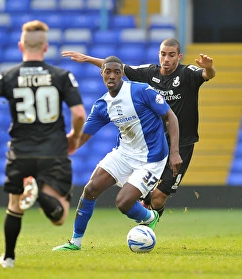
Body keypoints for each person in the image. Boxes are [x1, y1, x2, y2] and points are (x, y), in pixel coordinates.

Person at [0, 20, 86, 268]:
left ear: (20, 46)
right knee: (59, 217)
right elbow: (79, 113)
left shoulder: (8, 76)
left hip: (20, 152)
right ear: (46, 47)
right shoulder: (61, 76)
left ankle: (8, 258)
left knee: (14, 205)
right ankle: (38, 189)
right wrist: (74, 136)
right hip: (53, 151)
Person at [61, 38, 216, 218]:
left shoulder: (187, 73)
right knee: (140, 194)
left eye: (171, 55)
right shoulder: (149, 73)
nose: (166, 59)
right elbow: (117, 68)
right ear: (159, 54)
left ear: (179, 57)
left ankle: (150, 218)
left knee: (158, 198)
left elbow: (208, 75)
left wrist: (209, 67)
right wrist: (87, 58)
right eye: (163, 54)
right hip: (152, 143)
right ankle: (147, 225)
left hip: (181, 144)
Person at [52, 55, 182, 251]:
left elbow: (170, 116)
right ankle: (75, 243)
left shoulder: (141, 91)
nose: (112, 75)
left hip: (151, 157)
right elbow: (83, 136)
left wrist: (174, 152)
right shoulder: (102, 105)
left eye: (116, 71)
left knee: (122, 203)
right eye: (108, 71)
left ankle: (149, 216)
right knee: (90, 189)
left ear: (122, 74)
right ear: (102, 73)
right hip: (124, 153)